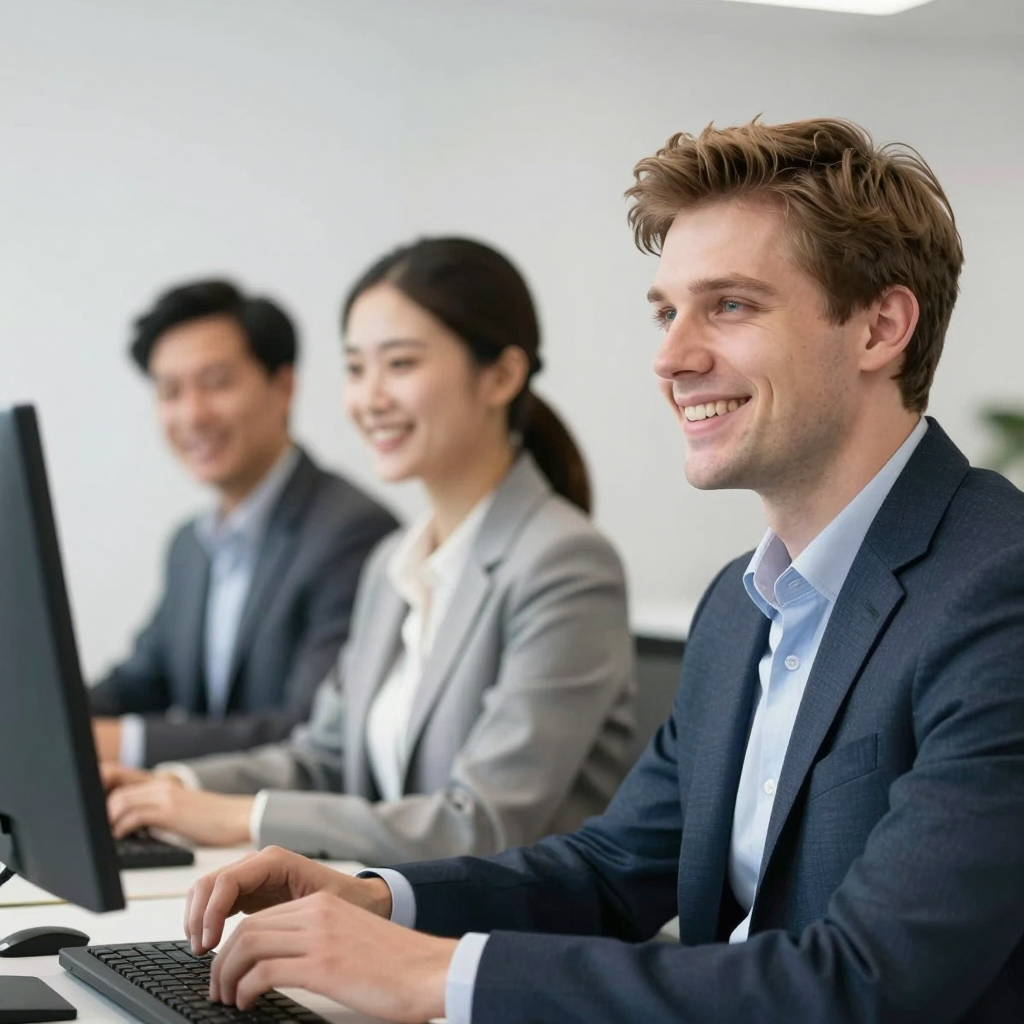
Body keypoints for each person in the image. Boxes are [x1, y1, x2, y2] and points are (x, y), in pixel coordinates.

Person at [181, 119, 1024, 1024]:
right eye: (667, 312)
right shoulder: (741, 604)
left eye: (730, 305)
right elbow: (617, 866)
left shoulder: (996, 591)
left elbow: (864, 984)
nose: (671, 356)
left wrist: (434, 977)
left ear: (880, 327)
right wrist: (383, 901)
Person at [102, 238, 637, 865]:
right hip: (389, 921)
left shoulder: (565, 563)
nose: (370, 398)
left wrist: (238, 816)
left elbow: (482, 825)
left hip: (509, 946)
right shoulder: (393, 564)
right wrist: (173, 788)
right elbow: (324, 758)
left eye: (400, 364)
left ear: (502, 376)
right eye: (356, 369)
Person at [89, 279, 398, 767]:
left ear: (283, 387)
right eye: (170, 392)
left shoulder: (352, 532)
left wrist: (126, 743)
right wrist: (44, 715)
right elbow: (140, 681)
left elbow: (310, 728)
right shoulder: (190, 545)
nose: (193, 414)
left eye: (216, 383)